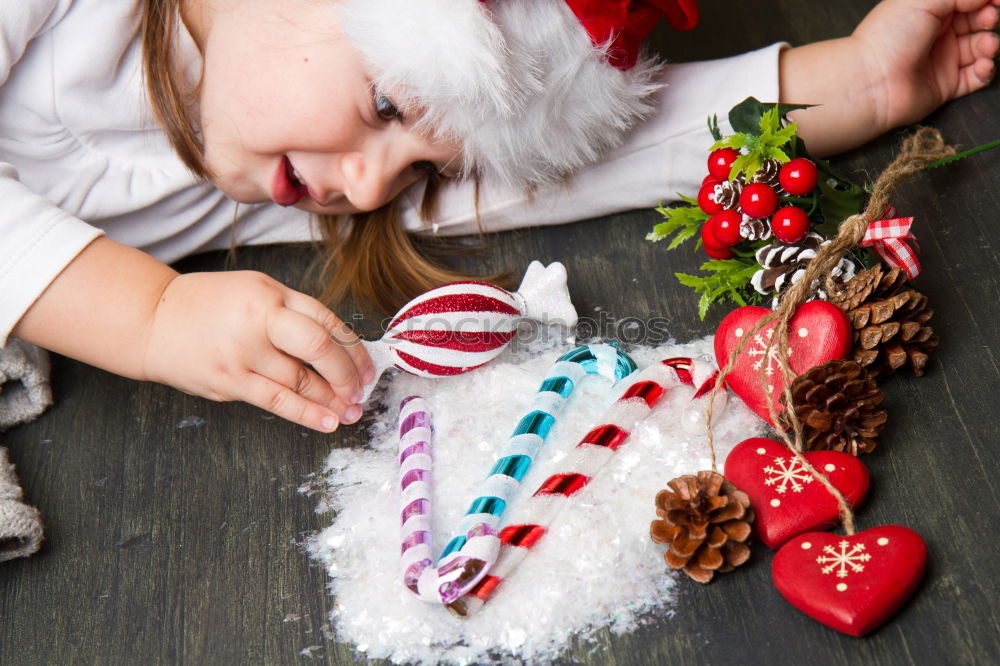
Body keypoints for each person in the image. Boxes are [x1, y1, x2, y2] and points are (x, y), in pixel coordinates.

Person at [1, 0, 997, 435]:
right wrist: (150, 317)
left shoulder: (300, 156)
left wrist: (862, 82)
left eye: (425, 163)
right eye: (388, 104)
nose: (373, 183)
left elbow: (619, 153)